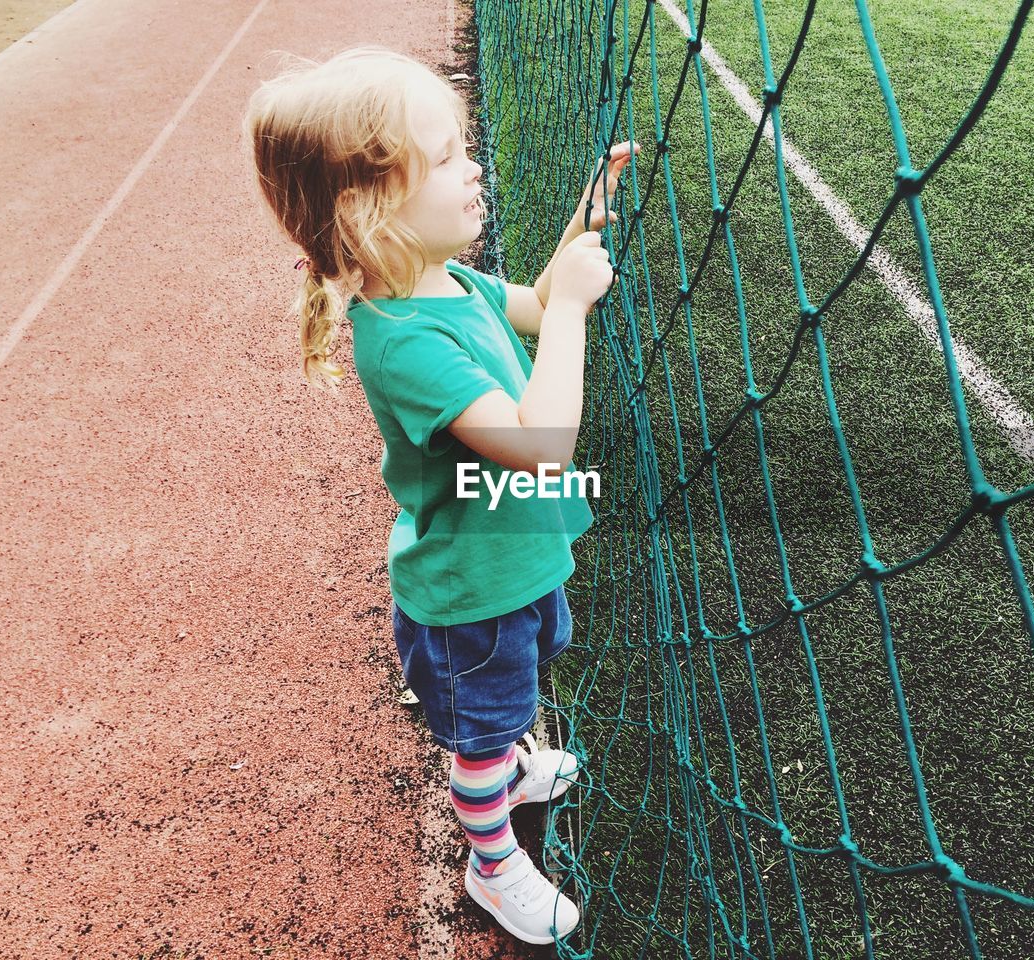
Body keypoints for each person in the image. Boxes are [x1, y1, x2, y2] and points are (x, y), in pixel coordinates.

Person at [242, 46, 637, 945]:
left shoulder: (449, 282)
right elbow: (543, 447)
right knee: (482, 727)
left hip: (513, 560)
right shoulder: (403, 342)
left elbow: (530, 305)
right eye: (451, 156)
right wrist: (574, 311)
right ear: (371, 206)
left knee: (524, 682)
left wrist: (581, 228)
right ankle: (492, 861)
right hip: (472, 591)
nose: (477, 168)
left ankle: (509, 762)